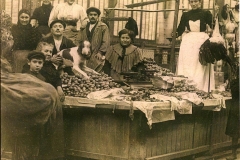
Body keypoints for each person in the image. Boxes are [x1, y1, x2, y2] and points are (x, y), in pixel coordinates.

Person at [1, 13, 64, 160]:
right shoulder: (25, 70)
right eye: (35, 62)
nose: (38, 64)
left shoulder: (47, 69)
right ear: (30, 63)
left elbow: (56, 78)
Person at [175, 0, 215, 92]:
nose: (193, 4)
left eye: (195, 1)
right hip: (188, 42)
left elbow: (214, 26)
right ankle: (186, 86)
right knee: (188, 62)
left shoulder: (206, 13)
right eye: (191, 2)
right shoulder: (186, 14)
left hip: (201, 41)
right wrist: (175, 34)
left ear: (200, 2)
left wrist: (215, 18)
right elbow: (180, 29)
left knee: (199, 63)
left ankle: (200, 87)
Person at [78, 7, 110, 72]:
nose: (93, 16)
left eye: (95, 15)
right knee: (84, 71)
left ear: (98, 16)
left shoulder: (103, 26)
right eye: (91, 15)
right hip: (85, 53)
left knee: (96, 72)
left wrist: (100, 52)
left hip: (97, 53)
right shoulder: (84, 27)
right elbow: (79, 40)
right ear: (88, 16)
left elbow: (106, 41)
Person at [225, 61, 239, 160]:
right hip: (236, 109)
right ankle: (234, 154)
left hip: (236, 109)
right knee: (236, 133)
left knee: (235, 133)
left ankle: (234, 154)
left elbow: (234, 92)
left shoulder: (236, 83)